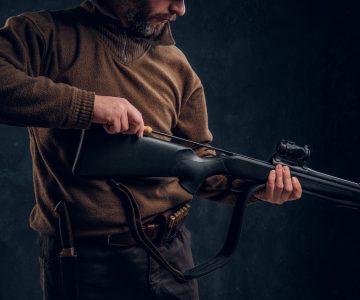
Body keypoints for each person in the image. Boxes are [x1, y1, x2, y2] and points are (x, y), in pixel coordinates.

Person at [0, 0, 302, 299]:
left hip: (172, 257)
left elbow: (201, 165)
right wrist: (89, 106)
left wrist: (257, 189)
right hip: (82, 262)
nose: (180, 9)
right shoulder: (43, 33)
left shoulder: (178, 67)